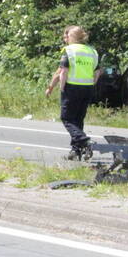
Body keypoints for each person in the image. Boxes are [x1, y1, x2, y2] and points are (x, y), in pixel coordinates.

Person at [45, 25, 100, 160]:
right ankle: (76, 151)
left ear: (72, 37)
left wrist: (57, 87)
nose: (64, 39)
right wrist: (92, 84)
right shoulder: (92, 51)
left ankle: (85, 141)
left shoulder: (69, 51)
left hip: (72, 87)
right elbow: (97, 71)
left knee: (67, 118)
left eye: (66, 36)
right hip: (87, 88)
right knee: (78, 119)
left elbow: (62, 72)